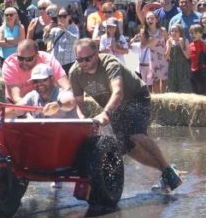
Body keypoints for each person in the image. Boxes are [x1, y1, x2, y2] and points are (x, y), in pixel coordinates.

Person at [70, 38, 183, 192]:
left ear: (96, 53)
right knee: (128, 148)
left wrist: (105, 113)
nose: (84, 63)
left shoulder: (109, 63)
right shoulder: (75, 73)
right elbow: (79, 103)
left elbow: (118, 92)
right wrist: (83, 119)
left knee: (136, 135)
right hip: (113, 107)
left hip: (135, 96)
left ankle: (167, 171)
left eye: (87, 58)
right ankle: (167, 170)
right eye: (80, 60)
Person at [2, 39, 68, 103]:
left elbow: (66, 86)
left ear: (37, 56)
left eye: (29, 59)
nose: (24, 62)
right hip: (20, 104)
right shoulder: (10, 65)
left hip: (45, 100)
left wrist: (66, 101)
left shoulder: (48, 60)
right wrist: (31, 112)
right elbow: (17, 98)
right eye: (20, 58)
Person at [8, 63, 76, 119]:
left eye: (42, 80)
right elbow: (15, 110)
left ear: (52, 79)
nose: (38, 84)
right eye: (35, 81)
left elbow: (71, 102)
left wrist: (58, 105)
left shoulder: (61, 93)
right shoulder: (32, 95)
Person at [44, 7, 79, 75]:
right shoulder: (55, 29)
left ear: (69, 17)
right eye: (59, 16)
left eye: (64, 16)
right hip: (56, 63)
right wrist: (47, 30)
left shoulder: (74, 28)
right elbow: (46, 40)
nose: (62, 18)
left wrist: (64, 30)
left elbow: (75, 40)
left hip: (69, 63)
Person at [139, 12, 168, 93]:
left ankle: (164, 101)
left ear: (156, 20)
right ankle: (157, 102)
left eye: (152, 18)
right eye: (148, 18)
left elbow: (169, 40)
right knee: (155, 82)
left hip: (164, 58)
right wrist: (150, 41)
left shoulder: (162, 30)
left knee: (165, 81)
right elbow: (142, 46)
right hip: (152, 59)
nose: (150, 20)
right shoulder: (144, 32)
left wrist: (168, 52)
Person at [165, 24, 191, 93]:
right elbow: (166, 57)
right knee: (172, 87)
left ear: (180, 32)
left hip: (183, 67)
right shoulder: (169, 41)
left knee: (184, 87)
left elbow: (188, 56)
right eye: (172, 31)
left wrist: (182, 45)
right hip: (172, 67)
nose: (173, 33)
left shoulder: (185, 40)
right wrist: (169, 47)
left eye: (176, 31)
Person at [189, 24, 206, 95]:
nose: (193, 35)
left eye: (196, 33)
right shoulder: (190, 45)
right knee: (194, 90)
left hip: (202, 71)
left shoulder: (203, 45)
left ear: (201, 34)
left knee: (202, 90)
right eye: (192, 33)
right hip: (192, 71)